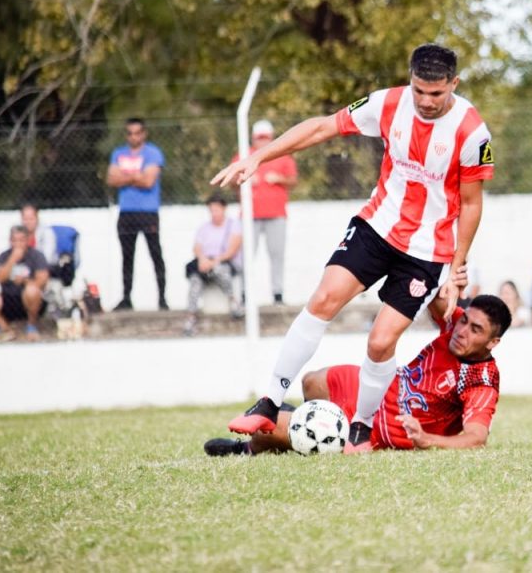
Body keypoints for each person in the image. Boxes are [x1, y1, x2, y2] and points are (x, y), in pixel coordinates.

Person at [212, 44, 495, 452]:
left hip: (427, 251)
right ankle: (270, 402)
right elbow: (322, 127)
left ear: (454, 84)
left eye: (437, 93)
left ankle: (361, 430)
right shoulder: (387, 104)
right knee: (323, 298)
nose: (426, 102)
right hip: (376, 227)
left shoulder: (472, 132)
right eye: (419, 91)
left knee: (380, 343)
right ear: (410, 80)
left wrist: (456, 267)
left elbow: (471, 203)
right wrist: (260, 157)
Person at [203, 292, 511, 456]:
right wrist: (452, 274)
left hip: (378, 429)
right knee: (312, 380)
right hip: (378, 387)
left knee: (264, 430)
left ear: (493, 342)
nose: (462, 331)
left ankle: (247, 450)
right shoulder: (454, 323)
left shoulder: (480, 381)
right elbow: (430, 288)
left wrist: (427, 440)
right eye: (464, 321)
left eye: (475, 330)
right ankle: (306, 422)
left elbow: (476, 438)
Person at [106, 117, 167, 311]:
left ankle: (162, 299)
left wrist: (125, 176)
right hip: (126, 212)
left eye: (137, 132)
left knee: (155, 254)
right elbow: (111, 179)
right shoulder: (118, 153)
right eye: (130, 133)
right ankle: (126, 298)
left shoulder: (153, 153)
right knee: (127, 257)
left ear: (144, 133)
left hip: (148, 212)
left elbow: (149, 181)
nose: (134, 136)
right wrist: (137, 176)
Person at [239, 119, 298, 305]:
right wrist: (246, 179)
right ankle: (244, 294)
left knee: (277, 255)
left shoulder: (283, 155)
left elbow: (293, 181)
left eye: (266, 138)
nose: (263, 142)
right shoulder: (243, 154)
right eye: (259, 138)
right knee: (246, 255)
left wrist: (279, 179)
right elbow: (232, 178)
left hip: (276, 214)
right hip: (250, 215)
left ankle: (277, 293)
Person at [183, 193, 245, 336]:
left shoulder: (233, 225)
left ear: (224, 209)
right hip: (206, 263)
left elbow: (232, 250)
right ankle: (190, 317)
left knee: (218, 269)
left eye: (216, 209)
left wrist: (213, 262)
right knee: (195, 279)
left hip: (225, 264)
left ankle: (234, 302)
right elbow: (197, 248)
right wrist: (203, 260)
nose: (214, 213)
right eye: (211, 210)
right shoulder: (204, 228)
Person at [0, 226, 50, 342]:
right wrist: (13, 259)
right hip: (8, 299)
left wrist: (25, 281)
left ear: (27, 240)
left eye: (21, 240)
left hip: (29, 300)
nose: (18, 243)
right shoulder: (4, 256)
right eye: (14, 240)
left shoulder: (37, 256)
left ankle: (31, 325)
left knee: (32, 291)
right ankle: (5, 328)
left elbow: (42, 280)